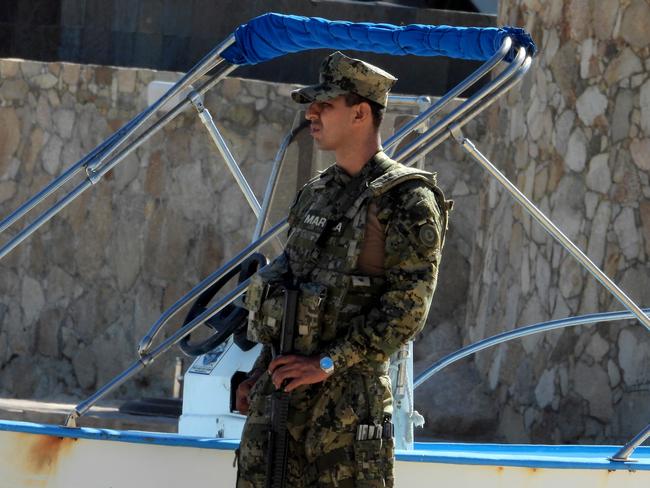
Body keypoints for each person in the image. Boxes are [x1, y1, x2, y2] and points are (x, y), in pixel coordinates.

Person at [235, 51, 451, 487]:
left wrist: (327, 363)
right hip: (283, 399)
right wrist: (261, 370)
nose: (311, 113)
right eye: (313, 105)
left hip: (347, 408)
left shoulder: (406, 201)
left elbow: (407, 312)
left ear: (360, 113)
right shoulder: (315, 195)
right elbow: (290, 290)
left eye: (325, 105)